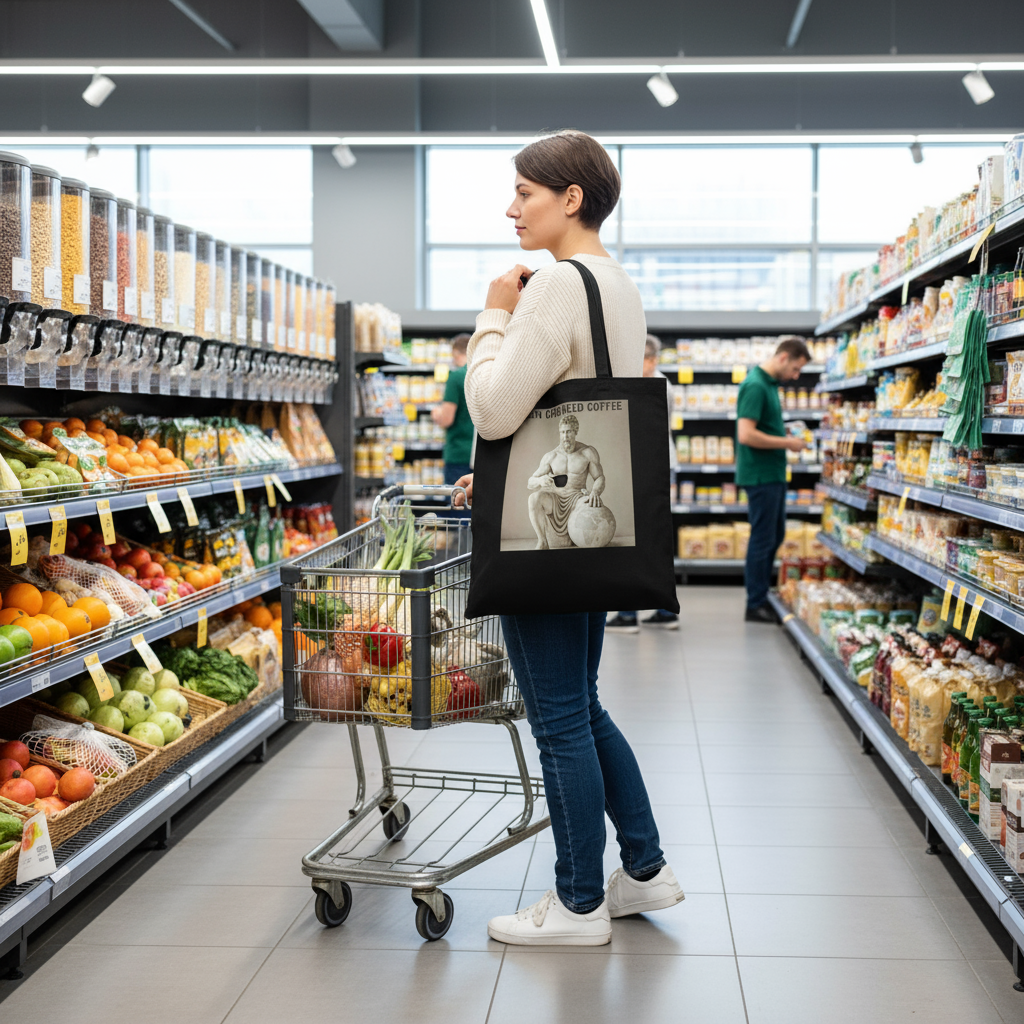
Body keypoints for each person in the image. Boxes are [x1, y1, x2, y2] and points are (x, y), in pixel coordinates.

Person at [456, 130, 684, 945]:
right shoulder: (618, 286)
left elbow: (492, 409)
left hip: (540, 546)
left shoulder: (552, 288)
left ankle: (579, 903)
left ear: (571, 199)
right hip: (593, 532)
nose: (511, 207)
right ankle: (646, 873)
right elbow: (574, 410)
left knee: (556, 718)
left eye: (525, 192)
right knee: (581, 706)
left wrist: (491, 315)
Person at [607, 334, 679, 632]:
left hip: (648, 468)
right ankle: (662, 609)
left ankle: (628, 614)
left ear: (649, 360)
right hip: (653, 466)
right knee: (650, 537)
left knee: (633, 538)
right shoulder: (656, 383)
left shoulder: (654, 386)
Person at [736, 337, 810, 623]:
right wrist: (786, 443)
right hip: (761, 474)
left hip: (772, 473)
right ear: (783, 357)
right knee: (763, 539)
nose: (796, 375)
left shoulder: (768, 385)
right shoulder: (755, 385)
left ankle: (761, 595)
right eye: (795, 368)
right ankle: (754, 604)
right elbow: (746, 434)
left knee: (774, 536)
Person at [527, 414, 607, 549]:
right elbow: (530, 482)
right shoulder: (551, 456)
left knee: (591, 505)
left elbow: (599, 477)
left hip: (578, 497)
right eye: (563, 432)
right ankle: (542, 541)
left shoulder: (587, 452)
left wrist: (595, 491)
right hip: (556, 499)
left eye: (569, 432)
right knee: (534, 498)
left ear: (575, 432)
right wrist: (540, 480)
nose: (565, 436)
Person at [430, 333, 474, 487]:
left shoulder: (456, 377)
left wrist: (436, 414)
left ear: (456, 353)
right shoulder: (481, 374)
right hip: (479, 454)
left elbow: (447, 419)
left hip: (458, 454)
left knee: (457, 504)